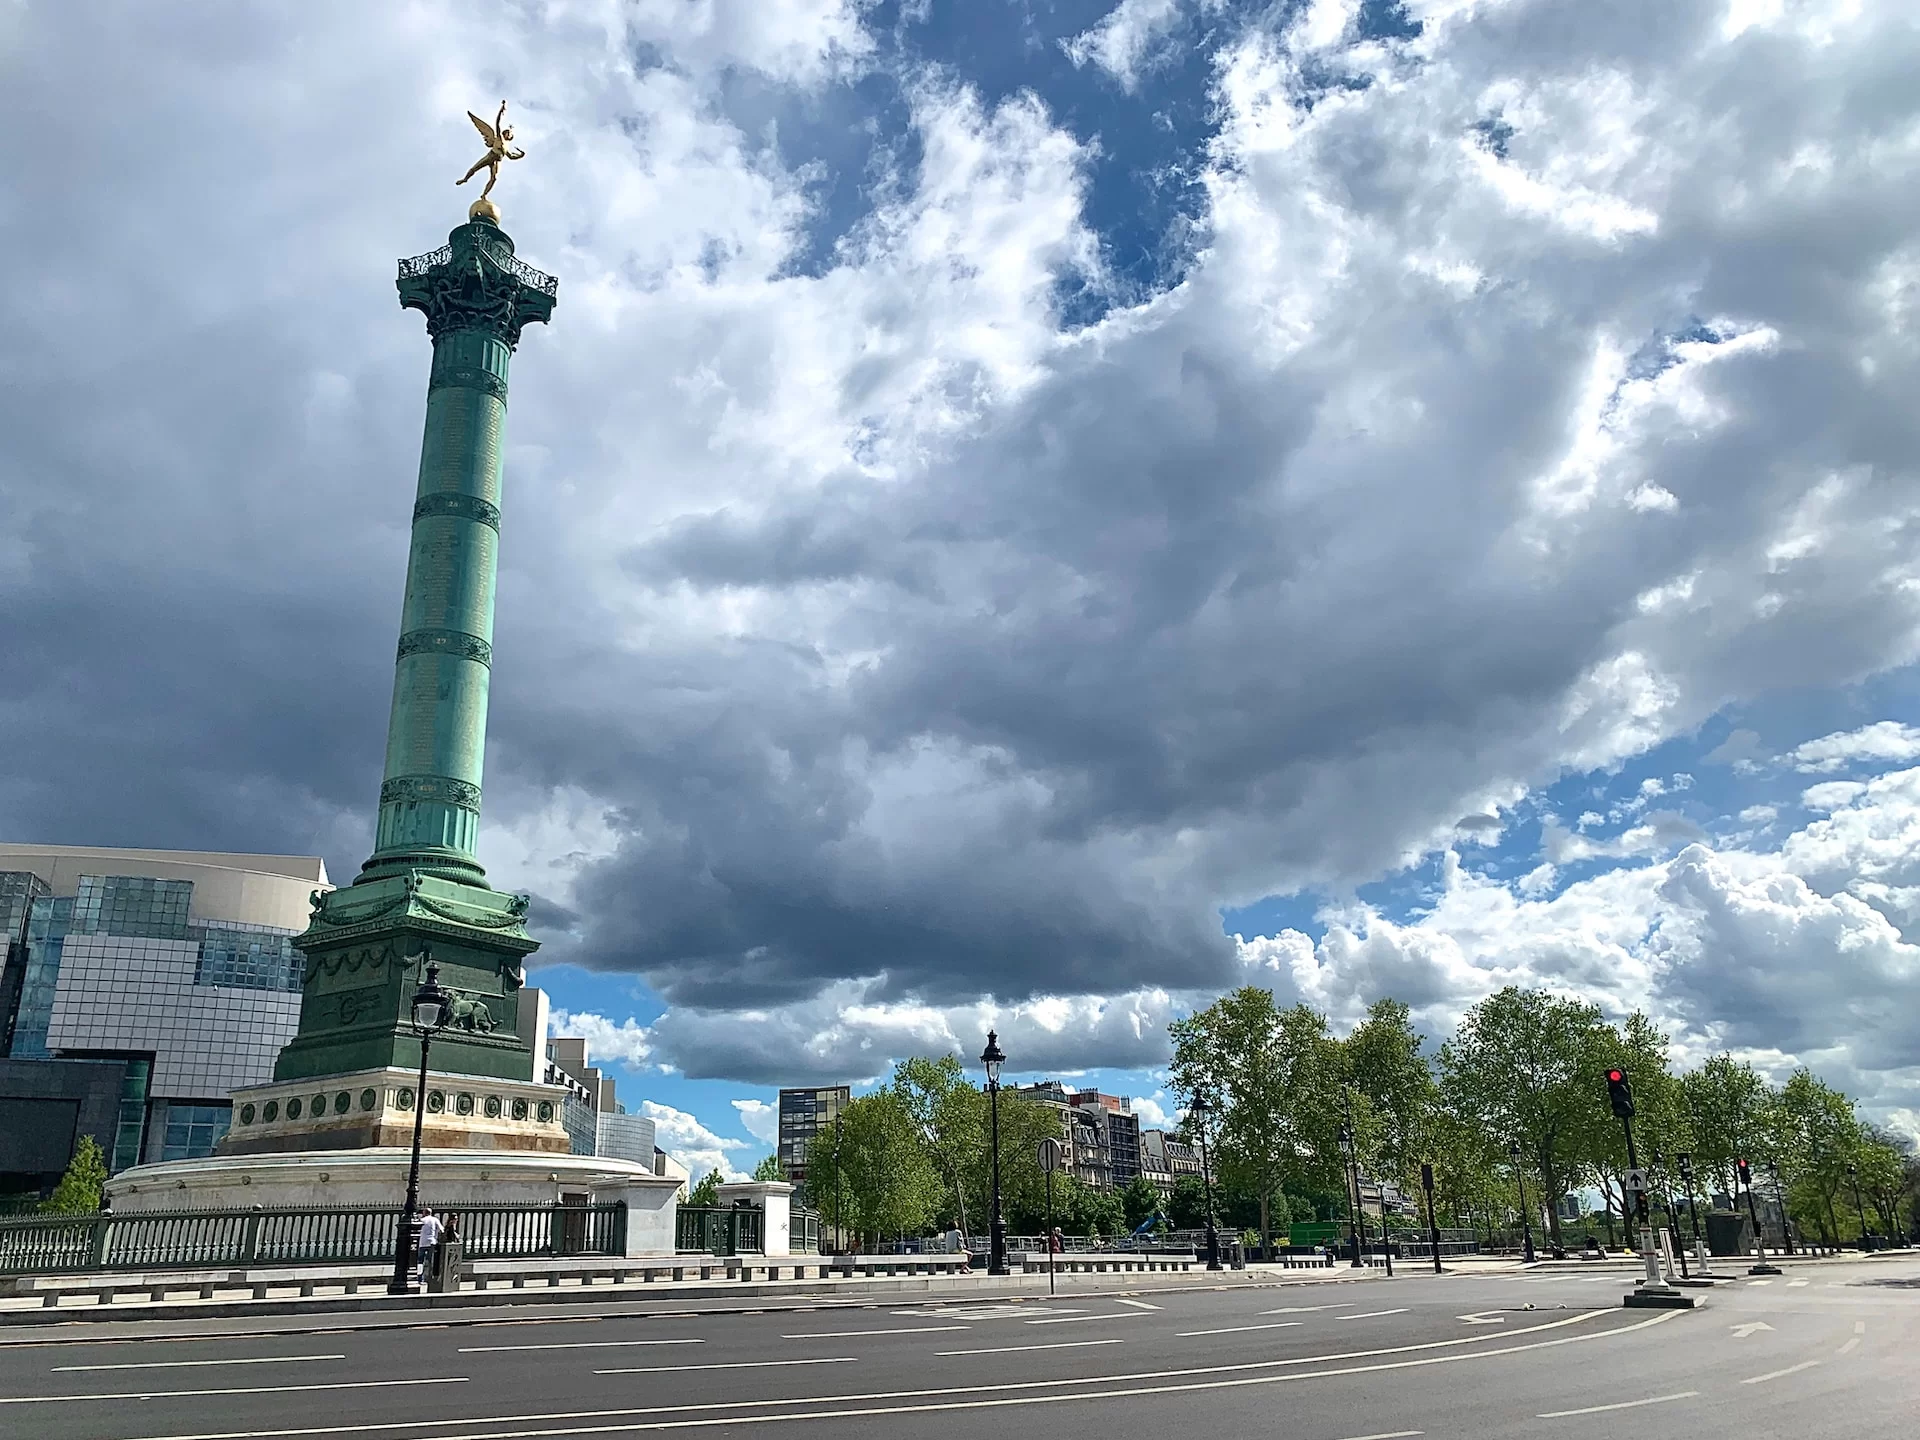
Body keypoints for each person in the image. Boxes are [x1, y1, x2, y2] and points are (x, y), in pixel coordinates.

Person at [414, 1209, 443, 1286]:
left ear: (424, 1213)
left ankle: (420, 1278)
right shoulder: (435, 1219)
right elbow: (441, 1230)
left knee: (420, 1261)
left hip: (422, 1243)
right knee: (430, 1261)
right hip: (432, 1242)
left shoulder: (422, 1220)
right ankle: (430, 1277)